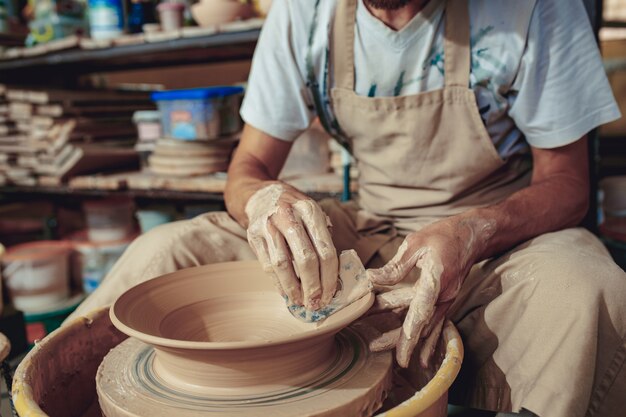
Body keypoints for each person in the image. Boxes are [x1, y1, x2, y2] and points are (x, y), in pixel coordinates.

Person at [70, 0, 626, 416]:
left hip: (498, 233)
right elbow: (248, 169)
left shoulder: (530, 8)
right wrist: (266, 199)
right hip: (368, 225)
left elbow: (569, 184)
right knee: (168, 250)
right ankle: (63, 394)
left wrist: (474, 232)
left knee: (585, 290)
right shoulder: (304, 13)